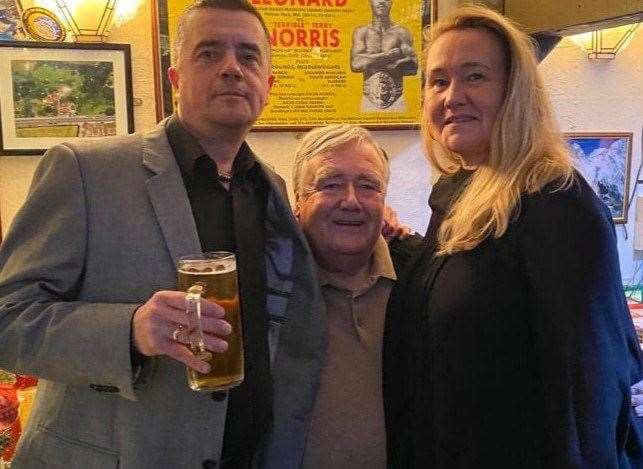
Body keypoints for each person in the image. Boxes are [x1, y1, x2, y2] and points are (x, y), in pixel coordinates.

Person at [0, 1, 326, 467]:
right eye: (209, 53)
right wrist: (130, 330)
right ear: (176, 80)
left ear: (268, 85)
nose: (232, 68)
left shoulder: (269, 187)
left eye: (249, 56)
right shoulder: (84, 170)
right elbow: (8, 320)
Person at [389, 5, 643, 467]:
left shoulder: (555, 201)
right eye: (438, 80)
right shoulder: (457, 191)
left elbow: (586, 387)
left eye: (475, 77)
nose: (452, 96)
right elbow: (466, 290)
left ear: (515, 92)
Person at [260, 124, 419, 468]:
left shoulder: (420, 279)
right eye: (330, 185)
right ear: (297, 203)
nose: (351, 200)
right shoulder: (265, 287)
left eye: (368, 186)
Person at [350, 0, 418, 112]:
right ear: (370, 2)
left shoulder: (401, 32)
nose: (381, 2)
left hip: (397, 99)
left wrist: (397, 63)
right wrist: (387, 55)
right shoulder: (362, 32)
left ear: (391, 2)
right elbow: (356, 64)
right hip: (369, 99)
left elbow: (413, 67)